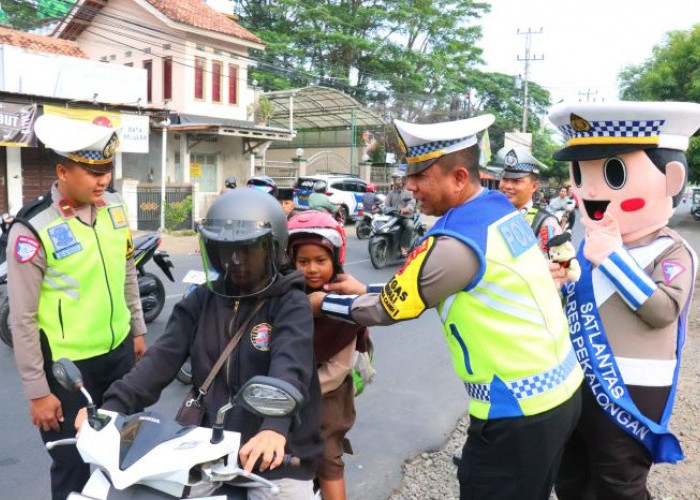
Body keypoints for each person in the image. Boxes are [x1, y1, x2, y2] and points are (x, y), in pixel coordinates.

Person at [311, 114, 583, 500]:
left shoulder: (458, 239)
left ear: (458, 177)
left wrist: (324, 302)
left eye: (420, 175)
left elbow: (390, 308)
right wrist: (364, 288)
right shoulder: (496, 209)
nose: (410, 186)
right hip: (557, 393)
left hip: (517, 409)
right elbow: (432, 285)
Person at [76, 188, 323, 499]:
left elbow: (291, 366)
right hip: (209, 449)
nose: (236, 260)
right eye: (224, 250)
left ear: (273, 250)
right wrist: (111, 409)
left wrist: (275, 426)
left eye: (248, 250)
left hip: (276, 452)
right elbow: (161, 358)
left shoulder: (291, 303)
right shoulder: (203, 299)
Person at [548, 101, 700, 500]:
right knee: (571, 474)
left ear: (672, 178)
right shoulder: (590, 242)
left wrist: (612, 258)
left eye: (613, 174)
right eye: (580, 175)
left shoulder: (672, 251)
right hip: (575, 378)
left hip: (630, 386)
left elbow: (664, 311)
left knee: (620, 481)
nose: (590, 192)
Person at [7, 114, 147, 500]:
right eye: (91, 170)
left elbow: (127, 271)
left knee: (119, 455)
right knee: (73, 467)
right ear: (62, 171)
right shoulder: (33, 228)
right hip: (68, 372)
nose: (102, 179)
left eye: (106, 168)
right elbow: (22, 318)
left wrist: (137, 329)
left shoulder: (115, 207)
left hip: (118, 356)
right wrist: (38, 391)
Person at [287, 210, 368, 500]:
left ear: (334, 259)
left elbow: (338, 368)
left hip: (327, 392)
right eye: (303, 261)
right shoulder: (285, 293)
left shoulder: (345, 300)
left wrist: (295, 394)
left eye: (321, 261)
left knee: (326, 453)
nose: (312, 269)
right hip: (289, 386)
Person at [498, 147, 562, 251]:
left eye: (516, 181)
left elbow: (554, 259)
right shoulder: (493, 212)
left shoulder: (546, 223)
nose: (507, 186)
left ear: (534, 187)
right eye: (504, 179)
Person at [385, 171, 416, 255]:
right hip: (393, 217)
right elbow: (386, 205)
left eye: (397, 179)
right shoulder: (391, 193)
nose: (395, 181)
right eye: (394, 179)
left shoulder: (409, 192)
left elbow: (411, 204)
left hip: (405, 217)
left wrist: (405, 209)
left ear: (403, 180)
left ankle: (404, 247)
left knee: (410, 225)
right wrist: (380, 208)